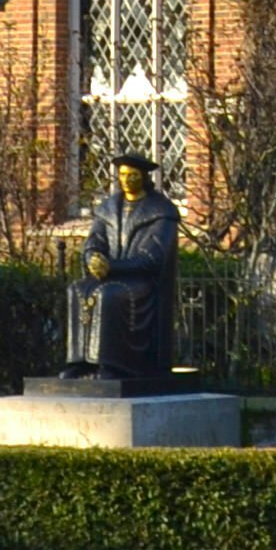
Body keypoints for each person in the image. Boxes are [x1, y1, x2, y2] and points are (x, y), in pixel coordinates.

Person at [73, 149, 180, 388]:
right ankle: (80, 362)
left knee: (109, 296)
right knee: (77, 290)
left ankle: (113, 364)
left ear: (143, 177)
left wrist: (114, 267)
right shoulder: (108, 208)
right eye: (122, 174)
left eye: (132, 175)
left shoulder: (162, 211)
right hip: (108, 273)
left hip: (140, 280)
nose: (127, 179)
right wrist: (93, 258)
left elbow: (152, 257)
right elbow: (94, 240)